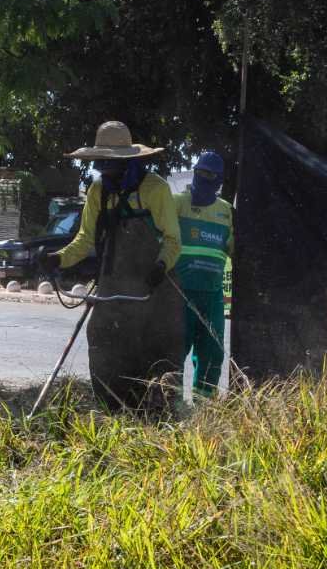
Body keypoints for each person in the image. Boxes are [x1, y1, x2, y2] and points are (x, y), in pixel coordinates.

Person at [41, 121, 182, 411]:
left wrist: (160, 266)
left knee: (154, 355)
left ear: (128, 160)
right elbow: (84, 240)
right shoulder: (98, 192)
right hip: (114, 287)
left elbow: (173, 241)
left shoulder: (155, 189)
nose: (104, 168)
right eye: (101, 162)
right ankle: (112, 413)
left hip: (155, 290)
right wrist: (58, 258)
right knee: (101, 337)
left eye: (109, 162)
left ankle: (157, 419)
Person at [174, 152, 233, 399]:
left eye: (209, 174)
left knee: (212, 354)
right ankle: (170, 404)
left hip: (212, 297)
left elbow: (234, 249)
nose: (202, 178)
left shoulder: (227, 211)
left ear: (218, 181)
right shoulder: (177, 203)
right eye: (199, 172)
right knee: (175, 351)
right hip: (179, 294)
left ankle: (203, 409)